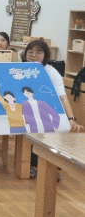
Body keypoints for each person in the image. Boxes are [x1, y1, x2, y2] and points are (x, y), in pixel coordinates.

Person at [21, 39, 84, 178]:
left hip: (50, 111)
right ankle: (32, 166)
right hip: (29, 111)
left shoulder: (52, 72)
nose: (34, 55)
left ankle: (53, 168)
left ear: (45, 55)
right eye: (30, 52)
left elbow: (63, 97)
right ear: (25, 54)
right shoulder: (19, 70)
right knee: (30, 132)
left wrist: (71, 119)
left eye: (38, 52)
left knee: (54, 136)